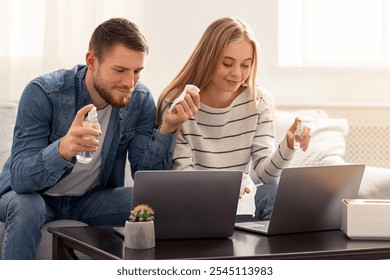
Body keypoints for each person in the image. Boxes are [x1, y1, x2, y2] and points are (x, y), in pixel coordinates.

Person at [0, 18, 199, 259]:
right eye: (120, 70)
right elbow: (21, 179)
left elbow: (146, 176)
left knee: (155, 203)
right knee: (27, 206)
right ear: (92, 61)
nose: (129, 83)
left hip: (90, 201)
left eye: (137, 71)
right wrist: (62, 150)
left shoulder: (140, 99)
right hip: (36, 198)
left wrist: (168, 128)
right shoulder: (43, 93)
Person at [157, 17, 310, 221]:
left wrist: (289, 145)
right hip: (196, 206)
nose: (237, 74)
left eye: (245, 65)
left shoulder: (258, 101)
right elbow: (185, 179)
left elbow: (266, 176)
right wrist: (226, 191)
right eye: (227, 63)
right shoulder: (180, 103)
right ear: (208, 58)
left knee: (278, 192)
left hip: (240, 204)